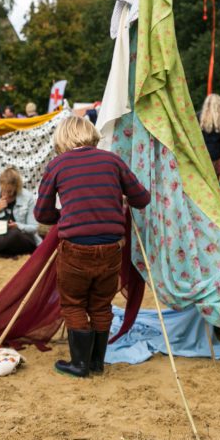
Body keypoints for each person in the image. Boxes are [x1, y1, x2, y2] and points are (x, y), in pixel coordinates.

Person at [34, 116, 151, 379]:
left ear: (62, 139)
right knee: (101, 304)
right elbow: (142, 198)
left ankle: (80, 365)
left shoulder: (57, 165)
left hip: (75, 248)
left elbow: (41, 214)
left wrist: (66, 217)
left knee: (74, 304)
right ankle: (97, 362)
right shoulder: (113, 161)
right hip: (111, 248)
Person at [199, 94, 220, 200]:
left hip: (201, 156)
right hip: (215, 156)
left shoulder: (198, 117)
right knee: (214, 186)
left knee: (202, 185)